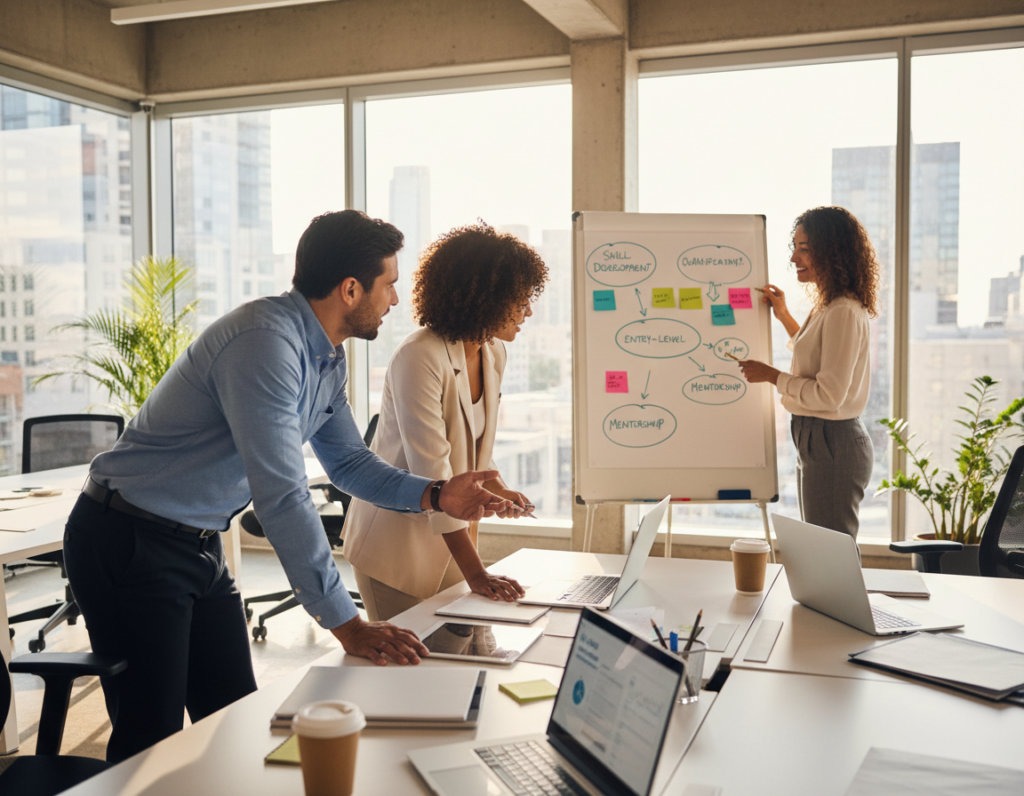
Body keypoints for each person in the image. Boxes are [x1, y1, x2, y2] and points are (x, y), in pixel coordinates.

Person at [63, 210, 514, 763]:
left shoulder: (326, 357)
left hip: (195, 543)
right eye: (389, 285)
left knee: (233, 718)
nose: (395, 299)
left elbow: (348, 462)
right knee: (150, 739)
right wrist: (346, 624)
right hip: (128, 538)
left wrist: (436, 494)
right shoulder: (264, 344)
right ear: (351, 289)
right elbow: (282, 493)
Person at [343, 224, 548, 621]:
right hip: (396, 553)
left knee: (461, 666)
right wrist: (478, 574)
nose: (528, 311)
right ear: (487, 298)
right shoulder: (419, 356)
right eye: (520, 299)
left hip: (456, 546)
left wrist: (499, 490)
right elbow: (433, 471)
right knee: (412, 675)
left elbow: (470, 453)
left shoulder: (492, 354)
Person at [736, 206, 879, 539]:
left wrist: (772, 376)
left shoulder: (843, 310)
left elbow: (829, 394)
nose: (794, 258)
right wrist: (783, 315)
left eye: (805, 248)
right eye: (795, 247)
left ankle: (840, 594)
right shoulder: (831, 305)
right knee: (825, 547)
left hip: (831, 439)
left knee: (829, 549)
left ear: (833, 251)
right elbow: (815, 354)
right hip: (818, 438)